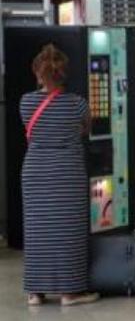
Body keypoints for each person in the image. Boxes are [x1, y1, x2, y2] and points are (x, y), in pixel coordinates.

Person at [21, 44, 96, 307]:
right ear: (63, 74)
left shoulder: (25, 102)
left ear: (38, 73)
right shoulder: (77, 104)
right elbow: (86, 129)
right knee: (68, 230)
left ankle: (35, 292)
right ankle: (69, 292)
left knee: (37, 230)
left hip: (35, 171)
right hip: (67, 172)